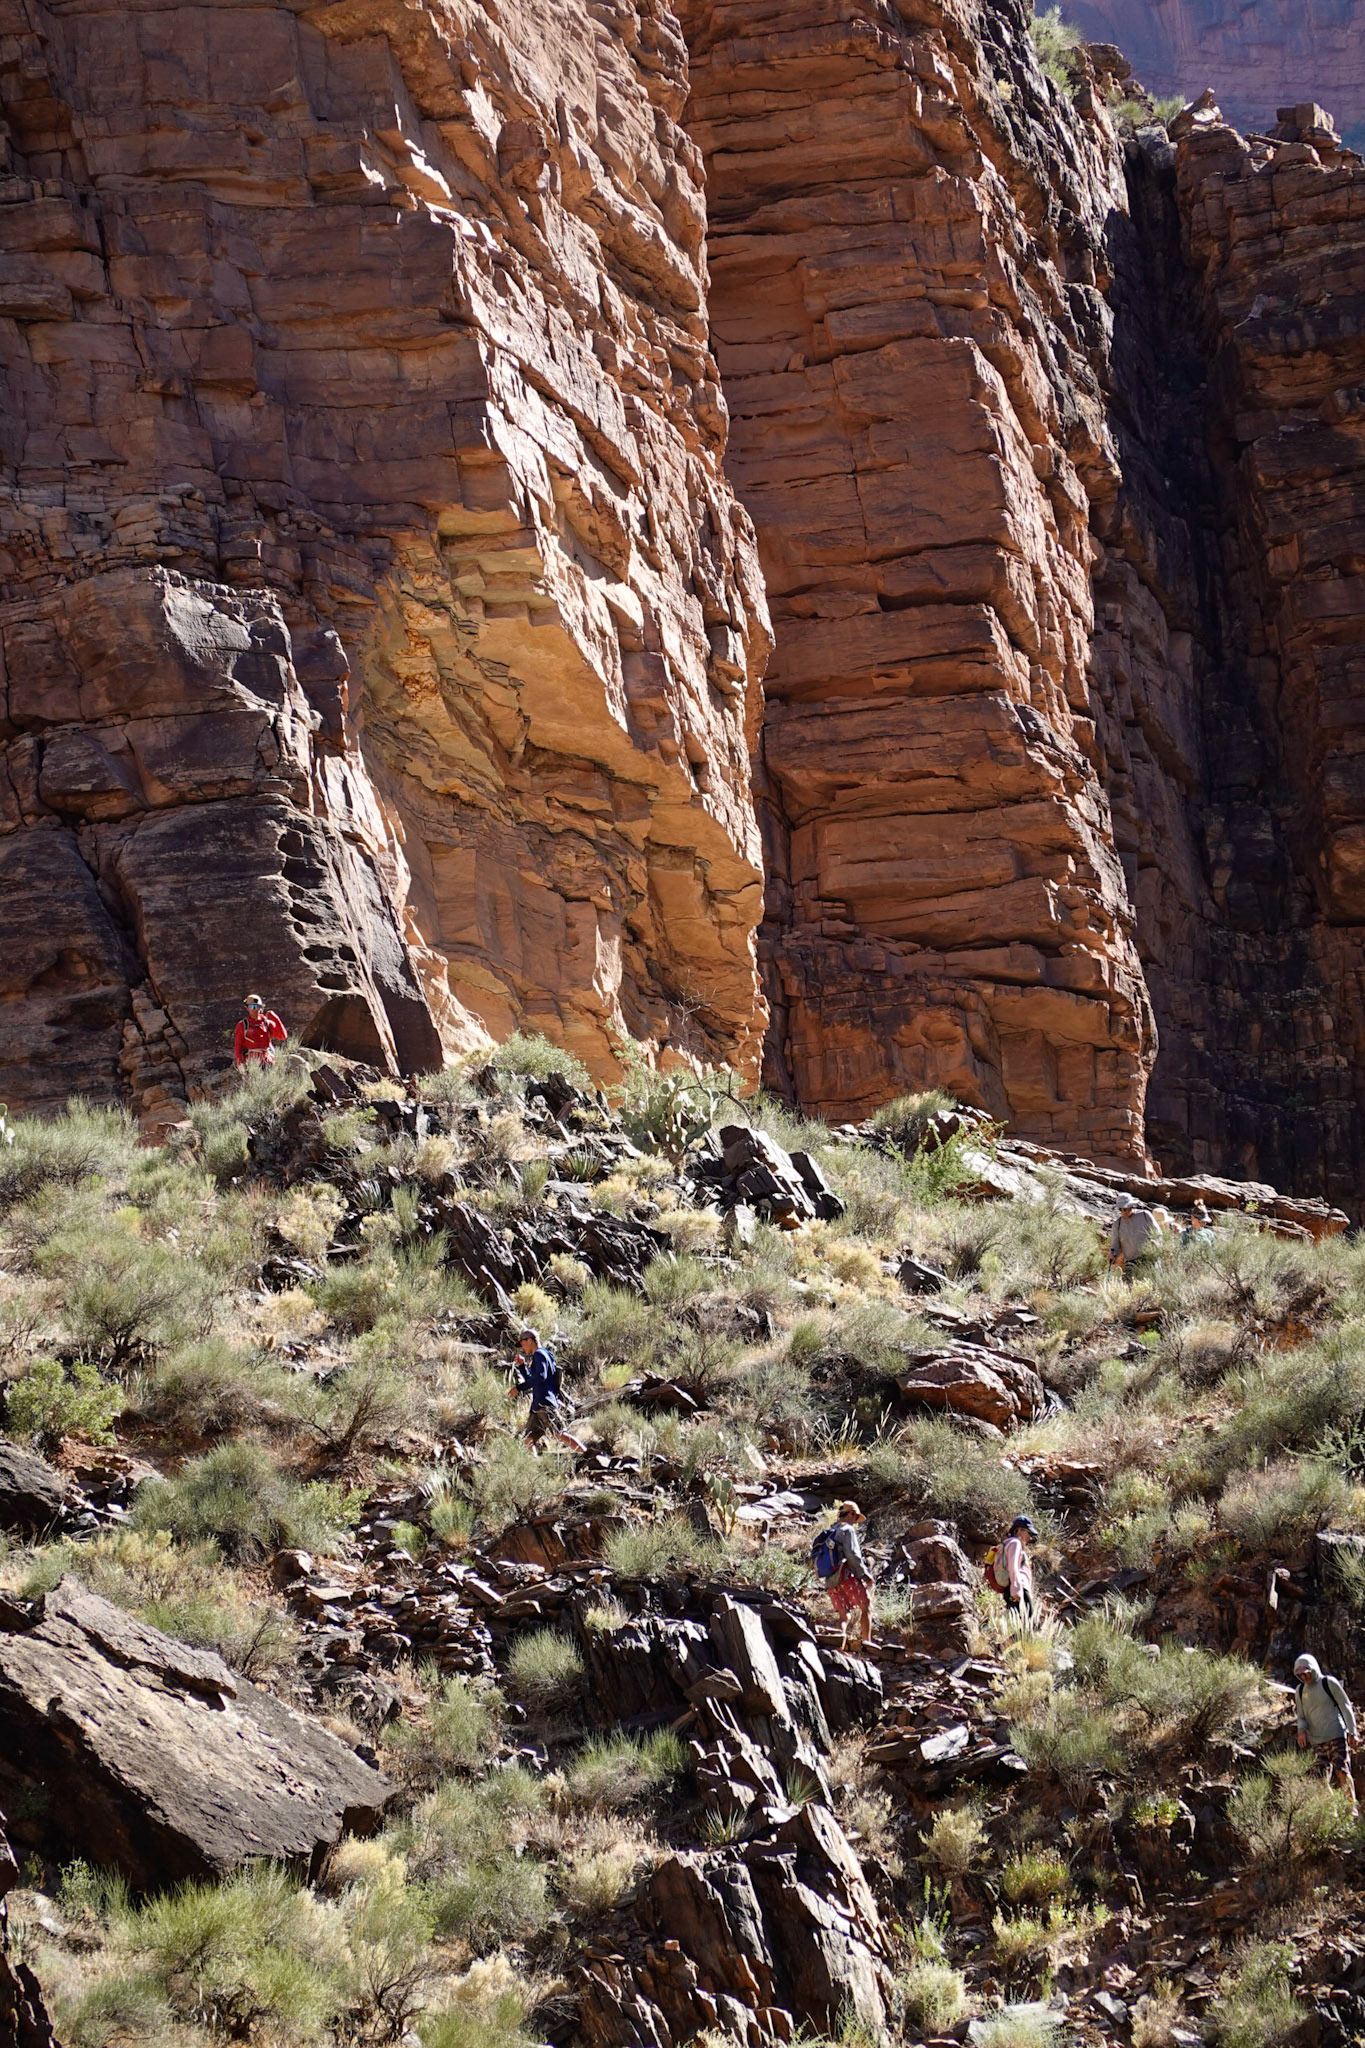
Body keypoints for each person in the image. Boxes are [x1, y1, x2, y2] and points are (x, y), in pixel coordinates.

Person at [1294, 1652, 1359, 1804]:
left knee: (1342, 1772)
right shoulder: (1300, 1690)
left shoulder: (1328, 1683)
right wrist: (1301, 1731)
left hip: (1336, 1735)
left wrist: (1352, 1732)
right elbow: (1301, 1715)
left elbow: (1346, 1707)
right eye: (1301, 1675)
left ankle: (1351, 1811)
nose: (1305, 1677)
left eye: (1307, 1673)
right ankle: (1332, 1814)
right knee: (1320, 1780)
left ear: (1313, 1668)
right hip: (1317, 1741)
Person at [509, 1329, 585, 1453]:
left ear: (529, 1340)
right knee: (528, 1440)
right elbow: (534, 1380)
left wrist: (518, 1388)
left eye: (522, 1343)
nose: (522, 1347)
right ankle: (533, 1468)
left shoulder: (539, 1354)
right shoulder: (545, 1354)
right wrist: (522, 1367)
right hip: (538, 1406)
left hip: (545, 1404)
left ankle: (589, 1455)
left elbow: (540, 1378)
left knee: (560, 1434)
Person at [824, 1500, 874, 1650]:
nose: (855, 1521)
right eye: (855, 1516)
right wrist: (864, 1575)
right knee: (866, 1606)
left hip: (830, 1580)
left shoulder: (831, 1530)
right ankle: (868, 1643)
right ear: (851, 1514)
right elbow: (852, 1555)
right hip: (846, 1576)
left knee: (844, 1615)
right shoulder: (848, 1530)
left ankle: (839, 1644)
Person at [988, 1514, 1037, 1626]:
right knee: (1031, 1627)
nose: (1029, 1537)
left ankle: (1000, 1644)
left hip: (1012, 1589)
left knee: (1030, 1627)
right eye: (1028, 1533)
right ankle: (998, 1644)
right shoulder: (1015, 1543)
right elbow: (1013, 1565)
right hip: (1017, 1588)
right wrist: (1016, 1588)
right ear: (1019, 1530)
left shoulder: (1007, 1543)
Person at [1107, 1196, 1161, 1275]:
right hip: (1131, 1263)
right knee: (1132, 1286)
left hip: (1149, 1259)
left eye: (1125, 1208)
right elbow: (1115, 1246)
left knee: (1153, 1285)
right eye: (1120, 1209)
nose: (1123, 1211)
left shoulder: (1145, 1215)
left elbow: (1157, 1233)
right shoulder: (1117, 1224)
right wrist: (1112, 1254)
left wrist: (1156, 1243)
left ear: (1131, 1206)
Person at [234, 993, 288, 1069]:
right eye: (252, 1006)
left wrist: (274, 1017)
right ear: (247, 1008)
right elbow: (238, 1046)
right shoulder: (242, 1025)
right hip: (251, 1064)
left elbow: (283, 1036)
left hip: (268, 1062)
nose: (254, 1009)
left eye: (257, 1006)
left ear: (261, 1007)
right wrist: (240, 1064)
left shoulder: (267, 1023)